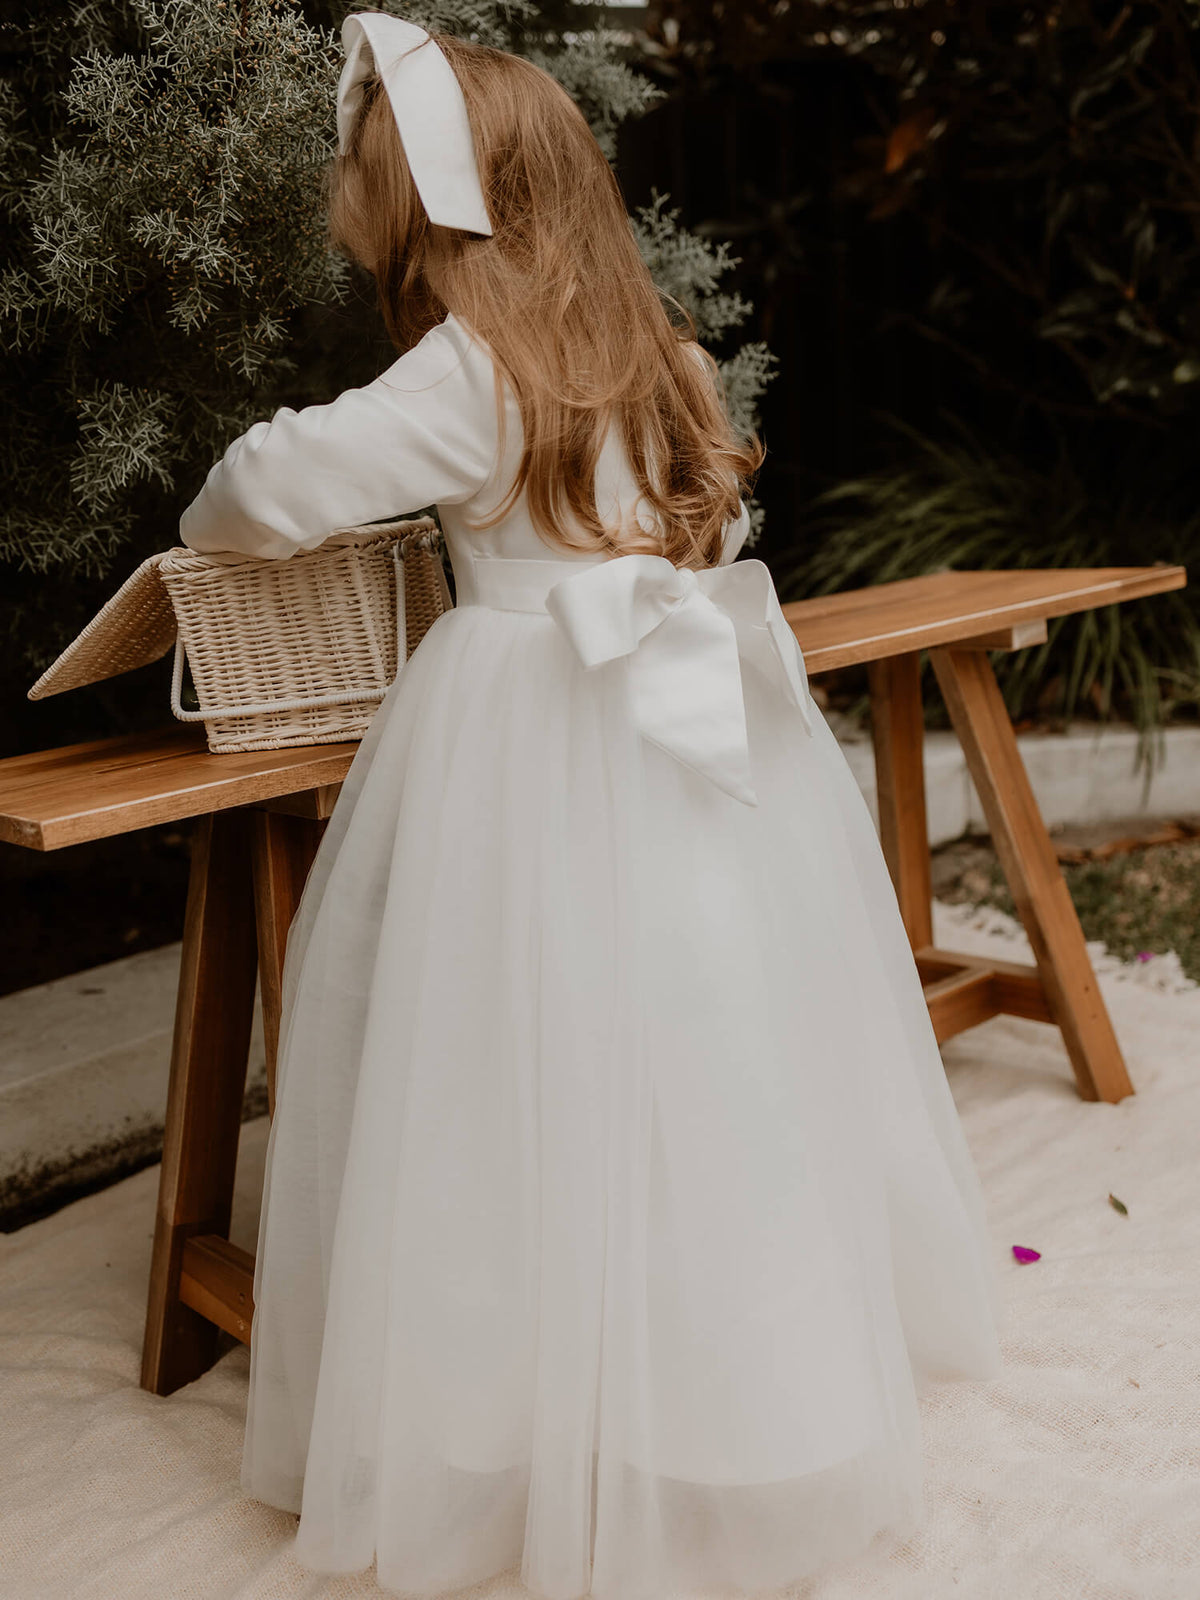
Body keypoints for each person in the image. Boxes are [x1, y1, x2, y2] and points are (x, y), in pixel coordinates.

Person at [180, 14, 1004, 1599]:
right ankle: (736, 1390)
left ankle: (503, 1403)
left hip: (523, 738)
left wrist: (217, 505)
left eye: (361, 182)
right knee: (706, 1052)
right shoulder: (669, 359)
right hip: (694, 750)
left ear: (431, 206)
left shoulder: (463, 371)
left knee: (502, 1059)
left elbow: (269, 484)